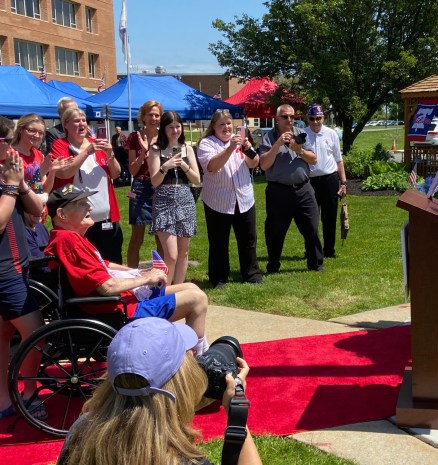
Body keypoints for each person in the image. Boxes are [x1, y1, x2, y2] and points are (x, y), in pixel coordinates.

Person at [56, 317, 262, 465]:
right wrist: (236, 411)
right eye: (188, 355)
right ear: (179, 383)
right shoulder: (182, 461)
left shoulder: (82, 430)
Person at [44, 185, 209, 351]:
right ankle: (200, 358)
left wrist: (136, 272)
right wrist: (146, 278)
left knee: (191, 287)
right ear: (62, 214)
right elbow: (107, 287)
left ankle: (197, 350)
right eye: (81, 204)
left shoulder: (69, 237)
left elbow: (102, 264)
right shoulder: (69, 242)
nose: (90, 206)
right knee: (197, 299)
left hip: (118, 302)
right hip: (117, 311)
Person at [0, 115, 47, 420]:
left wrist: (19, 186)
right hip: (5, 271)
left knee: (3, 335)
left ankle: (4, 401)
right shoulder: (6, 180)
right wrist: (10, 188)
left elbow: (37, 210)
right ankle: (28, 393)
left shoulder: (8, 174)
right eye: (8, 140)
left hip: (17, 264)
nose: (13, 147)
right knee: (37, 333)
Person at [197, 110, 263, 289]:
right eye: (221, 124)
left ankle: (251, 273)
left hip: (243, 197)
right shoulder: (206, 143)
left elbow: (255, 163)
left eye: (228, 123)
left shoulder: (240, 139)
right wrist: (230, 149)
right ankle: (218, 277)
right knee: (219, 241)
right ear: (213, 127)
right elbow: (212, 166)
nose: (226, 127)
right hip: (219, 200)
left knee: (248, 239)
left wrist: (248, 149)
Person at [49, 107, 123, 263]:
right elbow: (64, 173)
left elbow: (115, 174)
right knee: (85, 264)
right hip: (78, 223)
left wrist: (110, 154)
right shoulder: (61, 145)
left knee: (112, 261)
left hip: (106, 218)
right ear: (66, 125)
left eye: (83, 120)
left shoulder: (97, 144)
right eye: (76, 121)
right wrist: (86, 152)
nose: (81, 124)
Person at [258, 104, 324, 273]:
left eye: (292, 117)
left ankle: (316, 264)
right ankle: (273, 265)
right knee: (275, 231)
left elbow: (313, 159)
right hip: (278, 191)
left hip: (303, 189)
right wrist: (278, 144)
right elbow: (264, 165)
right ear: (277, 119)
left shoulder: (301, 134)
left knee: (311, 227)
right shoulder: (269, 137)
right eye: (285, 117)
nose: (289, 120)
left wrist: (299, 150)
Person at [148, 111, 200, 284]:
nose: (175, 130)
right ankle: (164, 292)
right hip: (164, 199)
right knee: (171, 255)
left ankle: (178, 292)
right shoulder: (156, 150)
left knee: (183, 253)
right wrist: (165, 166)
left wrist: (183, 165)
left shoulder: (188, 149)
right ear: (163, 129)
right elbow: (155, 181)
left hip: (185, 198)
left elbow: (197, 180)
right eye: (171, 127)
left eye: (178, 126)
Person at [305, 104, 346, 259]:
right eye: (312, 118)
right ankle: (311, 250)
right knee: (310, 219)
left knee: (329, 218)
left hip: (329, 180)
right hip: (310, 181)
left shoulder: (331, 134)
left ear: (323, 117)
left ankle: (329, 250)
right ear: (307, 119)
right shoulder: (303, 134)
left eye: (319, 118)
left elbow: (338, 160)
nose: (316, 121)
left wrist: (343, 182)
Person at [126, 101, 164, 268]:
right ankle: (132, 278)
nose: (153, 118)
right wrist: (143, 152)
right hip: (141, 187)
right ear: (143, 117)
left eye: (157, 115)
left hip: (160, 187)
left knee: (161, 237)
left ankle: (161, 276)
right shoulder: (134, 137)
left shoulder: (164, 137)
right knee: (137, 238)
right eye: (150, 114)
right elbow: (133, 171)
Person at [11, 113, 66, 196]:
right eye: (32, 130)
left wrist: (52, 171)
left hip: (37, 204)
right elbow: (17, 190)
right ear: (20, 130)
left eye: (40, 133)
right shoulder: (10, 154)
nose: (37, 135)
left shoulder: (39, 154)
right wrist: (40, 174)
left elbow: (43, 189)